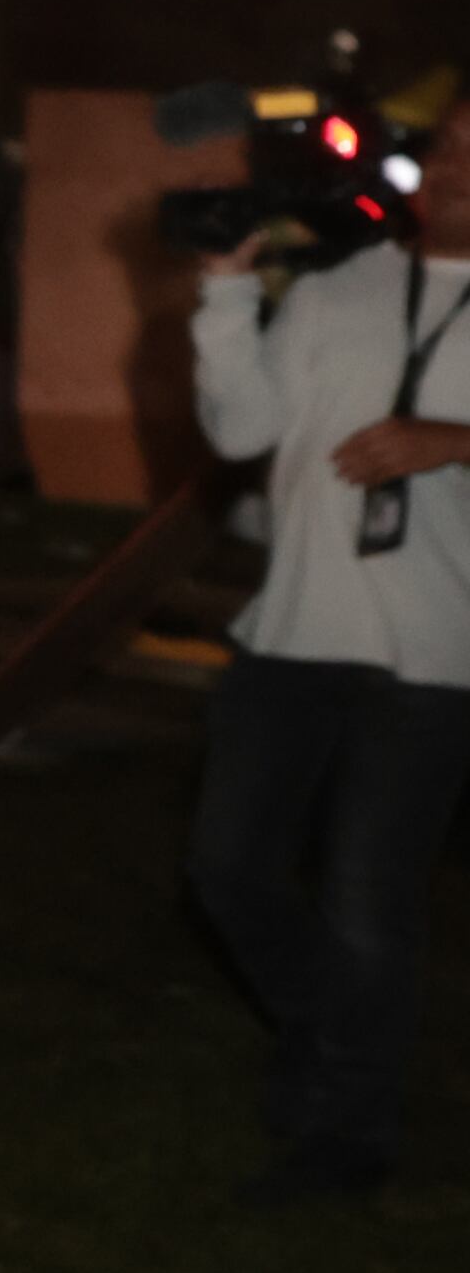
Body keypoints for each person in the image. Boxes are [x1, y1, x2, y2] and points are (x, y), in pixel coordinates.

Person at [185, 95, 470, 1204]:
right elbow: (240, 431)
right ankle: (332, 1028)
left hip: (433, 657)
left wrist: (453, 443)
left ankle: (344, 1128)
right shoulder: (335, 288)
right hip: (291, 630)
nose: (448, 168)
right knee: (224, 866)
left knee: (365, 897)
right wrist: (217, 295)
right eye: (442, 146)